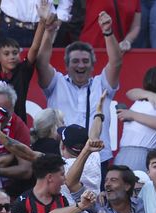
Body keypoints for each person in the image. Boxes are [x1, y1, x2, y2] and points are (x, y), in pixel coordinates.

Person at [36, 11, 123, 166]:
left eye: (85, 61)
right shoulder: (57, 82)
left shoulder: (101, 84)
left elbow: (116, 62)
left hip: (97, 157)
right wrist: (49, 31)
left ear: (92, 64)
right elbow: (41, 63)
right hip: (61, 156)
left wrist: (108, 32)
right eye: (75, 61)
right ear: (67, 65)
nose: (81, 65)